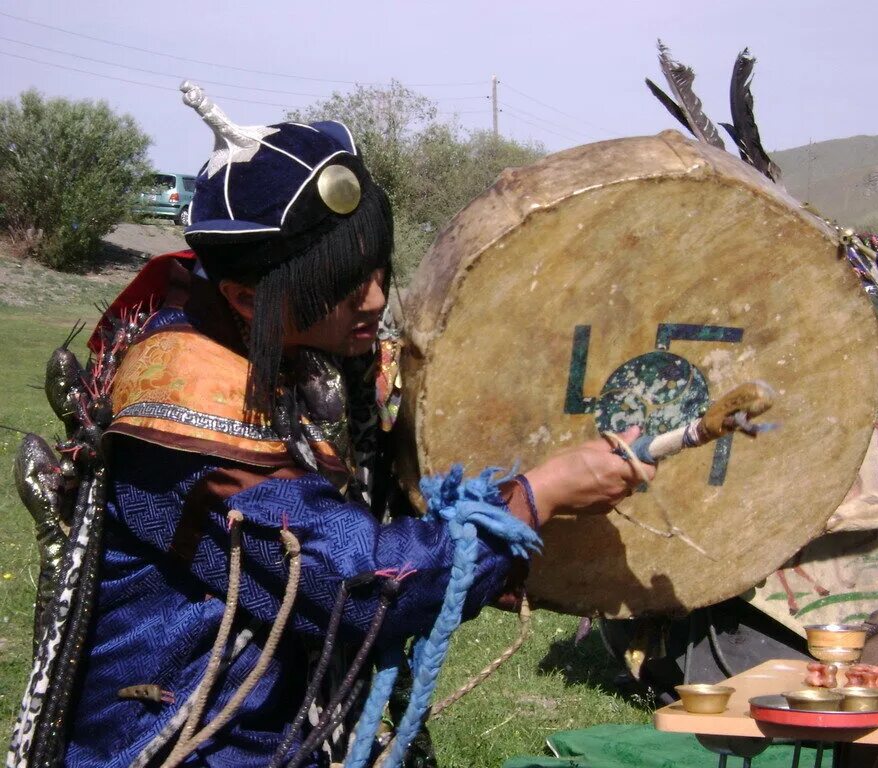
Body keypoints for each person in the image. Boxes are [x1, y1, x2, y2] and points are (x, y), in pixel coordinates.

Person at [28, 84, 653, 768]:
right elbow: (357, 581)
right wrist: (538, 494)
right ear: (244, 296)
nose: (377, 299)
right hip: (191, 745)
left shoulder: (283, 351)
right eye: (343, 284)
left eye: (377, 270)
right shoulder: (188, 392)